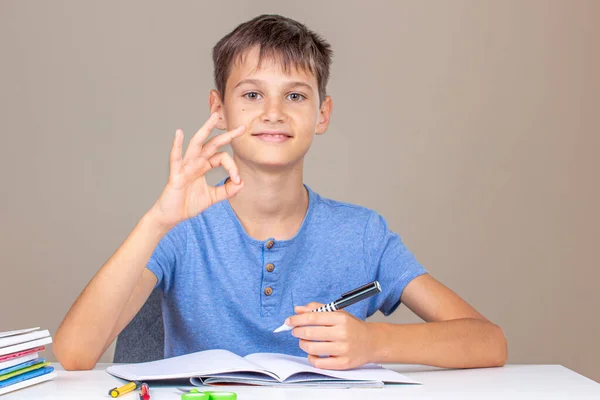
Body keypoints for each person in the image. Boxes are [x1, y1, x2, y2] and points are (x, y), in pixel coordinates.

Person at [54, 14, 507, 371]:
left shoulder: (362, 233)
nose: (273, 113)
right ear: (219, 108)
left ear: (322, 114)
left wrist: (377, 342)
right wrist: (158, 219)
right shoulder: (181, 227)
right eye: (252, 95)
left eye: (295, 96)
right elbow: (75, 353)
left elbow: (488, 341)